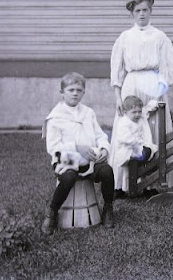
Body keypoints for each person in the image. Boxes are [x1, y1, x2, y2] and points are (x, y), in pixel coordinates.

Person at [110, 0, 173, 188]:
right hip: (131, 85)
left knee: (154, 128)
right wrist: (118, 96)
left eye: (145, 10)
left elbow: (167, 67)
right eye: (138, 10)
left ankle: (153, 181)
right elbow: (117, 69)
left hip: (153, 86)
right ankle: (126, 182)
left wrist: (159, 90)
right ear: (132, 13)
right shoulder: (125, 37)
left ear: (150, 11)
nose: (142, 14)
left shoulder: (159, 37)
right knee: (129, 126)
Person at [41, 72, 114, 235]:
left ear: (83, 93)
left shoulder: (88, 113)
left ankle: (108, 208)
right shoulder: (55, 116)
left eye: (79, 90)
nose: (75, 93)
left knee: (107, 171)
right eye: (71, 90)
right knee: (69, 177)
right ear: (62, 93)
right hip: (66, 158)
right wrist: (76, 147)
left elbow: (100, 135)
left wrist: (104, 148)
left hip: (89, 159)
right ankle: (52, 211)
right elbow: (53, 147)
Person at [109, 95, 158, 197]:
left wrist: (154, 104)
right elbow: (124, 138)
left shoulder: (140, 118)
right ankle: (120, 189)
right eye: (134, 112)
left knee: (150, 152)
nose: (137, 114)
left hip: (137, 148)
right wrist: (137, 143)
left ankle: (146, 181)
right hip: (126, 149)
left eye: (139, 112)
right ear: (125, 112)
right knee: (125, 168)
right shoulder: (124, 122)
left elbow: (147, 110)